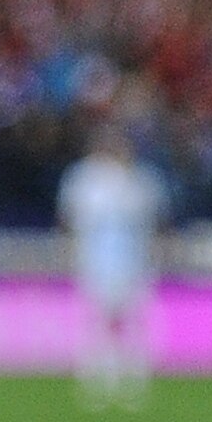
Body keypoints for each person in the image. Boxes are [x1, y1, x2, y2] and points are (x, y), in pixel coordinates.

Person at [58, 127, 162, 407]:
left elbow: (154, 224)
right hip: (93, 263)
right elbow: (68, 221)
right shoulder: (83, 179)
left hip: (134, 264)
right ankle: (97, 381)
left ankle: (133, 382)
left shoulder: (141, 180)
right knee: (95, 324)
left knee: (134, 324)